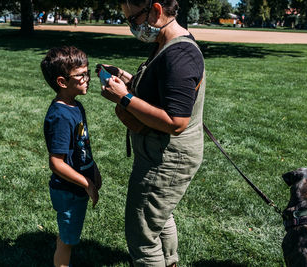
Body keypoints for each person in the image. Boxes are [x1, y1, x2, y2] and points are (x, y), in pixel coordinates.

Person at [96, 0, 205, 266]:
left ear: (156, 10)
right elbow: (162, 90)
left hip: (166, 158)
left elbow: (175, 121)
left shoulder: (180, 54)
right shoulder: (166, 46)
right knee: (159, 217)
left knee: (142, 236)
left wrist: (124, 99)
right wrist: (125, 78)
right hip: (158, 153)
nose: (133, 26)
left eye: (133, 19)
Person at [41, 46, 101, 267]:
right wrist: (86, 183)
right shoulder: (60, 117)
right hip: (68, 190)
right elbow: (56, 163)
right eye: (81, 75)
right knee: (67, 241)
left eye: (87, 73)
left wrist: (93, 169)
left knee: (68, 233)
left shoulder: (76, 106)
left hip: (77, 186)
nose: (87, 79)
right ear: (62, 82)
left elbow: (82, 145)